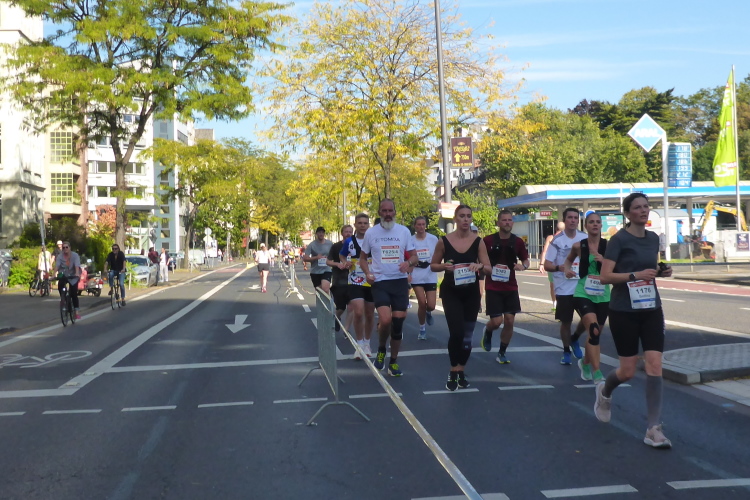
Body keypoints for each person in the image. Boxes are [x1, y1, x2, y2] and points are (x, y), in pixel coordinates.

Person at [595, 193, 673, 449]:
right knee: (627, 371)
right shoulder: (618, 240)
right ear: (627, 213)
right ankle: (605, 391)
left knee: (654, 364)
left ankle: (653, 428)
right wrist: (634, 275)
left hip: (651, 308)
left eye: (646, 206)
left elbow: (651, 268)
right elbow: (605, 276)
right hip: (623, 310)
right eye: (637, 207)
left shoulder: (653, 239)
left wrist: (662, 271)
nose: (643, 210)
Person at [431, 205, 491, 390]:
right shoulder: (444, 241)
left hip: (471, 293)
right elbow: (433, 265)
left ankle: (461, 370)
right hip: (451, 292)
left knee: (467, 337)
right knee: (456, 332)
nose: (466, 219)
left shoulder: (478, 242)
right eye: (462, 216)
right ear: (455, 219)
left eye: (468, 216)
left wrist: (480, 266)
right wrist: (444, 267)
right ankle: (453, 370)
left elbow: (489, 268)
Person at [359, 199, 417, 376]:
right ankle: (382, 349)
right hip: (380, 282)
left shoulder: (404, 231)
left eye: (390, 211)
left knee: (398, 323)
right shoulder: (371, 233)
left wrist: (408, 263)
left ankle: (393, 361)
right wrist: (367, 272)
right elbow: (362, 258)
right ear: (379, 213)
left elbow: (415, 257)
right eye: (384, 211)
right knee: (385, 320)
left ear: (395, 212)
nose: (387, 214)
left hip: (399, 282)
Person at [563, 212, 610, 382]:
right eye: (591, 222)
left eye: (598, 222)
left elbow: (617, 268)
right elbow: (568, 260)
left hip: (603, 293)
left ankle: (585, 362)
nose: (595, 224)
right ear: (586, 226)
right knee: (594, 329)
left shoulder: (608, 246)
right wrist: (567, 269)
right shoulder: (579, 246)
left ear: (601, 225)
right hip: (583, 292)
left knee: (595, 335)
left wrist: (604, 260)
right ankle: (597, 372)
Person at [480, 209, 530, 364]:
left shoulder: (517, 242)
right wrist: (483, 268)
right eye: (504, 220)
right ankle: (488, 330)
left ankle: (502, 352)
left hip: (510, 287)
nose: (507, 223)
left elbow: (525, 260)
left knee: (509, 321)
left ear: (512, 223)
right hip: (493, 287)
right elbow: (480, 260)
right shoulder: (487, 241)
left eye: (509, 220)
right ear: (498, 222)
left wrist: (524, 266)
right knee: (496, 322)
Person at [544, 209, 587, 365]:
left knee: (588, 319)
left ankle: (575, 338)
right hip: (563, 288)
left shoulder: (584, 238)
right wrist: (559, 268)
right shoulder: (557, 241)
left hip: (582, 286)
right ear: (565, 220)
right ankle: (566, 350)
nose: (573, 220)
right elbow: (547, 264)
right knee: (566, 322)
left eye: (576, 218)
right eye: (570, 217)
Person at [340, 214, 376, 358]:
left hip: (371, 280)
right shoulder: (349, 241)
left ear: (369, 225)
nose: (362, 225)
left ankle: (367, 343)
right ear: (355, 225)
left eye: (365, 223)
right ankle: (359, 344)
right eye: (360, 223)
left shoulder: (373, 240)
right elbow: (342, 255)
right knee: (359, 312)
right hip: (355, 280)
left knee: (369, 313)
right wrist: (345, 262)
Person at [410, 216, 438, 340]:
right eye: (419, 224)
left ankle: (428, 311)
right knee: (422, 302)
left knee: (431, 305)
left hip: (430, 274)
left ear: (425, 226)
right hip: (417, 274)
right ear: (415, 226)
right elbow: (407, 256)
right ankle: (422, 329)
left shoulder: (433, 239)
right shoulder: (411, 240)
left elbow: (439, 253)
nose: (421, 227)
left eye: (423, 224)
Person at [327, 224, 353, 337]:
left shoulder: (356, 245)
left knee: (351, 306)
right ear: (342, 233)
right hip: (339, 280)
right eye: (346, 232)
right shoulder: (336, 246)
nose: (348, 234)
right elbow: (328, 261)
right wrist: (337, 264)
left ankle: (346, 330)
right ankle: (336, 317)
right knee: (341, 307)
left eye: (350, 232)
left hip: (353, 280)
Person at [540, 221, 565, 312]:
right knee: (565, 285)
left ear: (555, 229)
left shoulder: (550, 238)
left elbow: (545, 251)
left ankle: (555, 304)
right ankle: (564, 305)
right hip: (564, 265)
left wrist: (541, 264)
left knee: (553, 285)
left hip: (552, 265)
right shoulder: (567, 238)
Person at [55, 241, 82, 319]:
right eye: (63, 247)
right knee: (60, 286)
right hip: (64, 274)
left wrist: (77, 273)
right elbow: (57, 266)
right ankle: (64, 300)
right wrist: (54, 274)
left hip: (73, 274)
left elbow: (77, 265)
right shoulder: (60, 256)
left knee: (73, 293)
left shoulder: (75, 255)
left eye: (67, 247)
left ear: (70, 248)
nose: (65, 249)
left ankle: (76, 311)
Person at [304, 227, 333, 293]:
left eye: (322, 232)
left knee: (325, 289)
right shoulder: (312, 245)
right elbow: (305, 258)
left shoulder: (330, 243)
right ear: (316, 234)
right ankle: (323, 299)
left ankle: (329, 299)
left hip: (327, 269)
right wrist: (316, 257)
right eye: (319, 232)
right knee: (319, 292)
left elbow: (335, 254)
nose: (321, 234)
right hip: (315, 271)